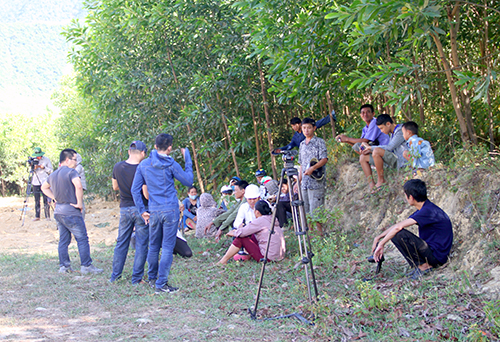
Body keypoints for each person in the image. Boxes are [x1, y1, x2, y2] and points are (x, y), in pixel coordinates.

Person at [131, 133, 193, 293]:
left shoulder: (144, 165)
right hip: (170, 210)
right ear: (170, 148)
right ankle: (161, 284)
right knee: (166, 247)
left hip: (154, 210)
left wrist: (142, 211)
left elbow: (134, 190)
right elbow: (188, 181)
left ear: (155, 146)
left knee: (153, 246)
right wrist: (187, 159)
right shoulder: (171, 163)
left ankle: (152, 279)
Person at [371, 179, 453, 280]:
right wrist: (378, 237)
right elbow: (398, 225)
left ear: (411, 197)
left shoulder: (428, 211)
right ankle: (420, 265)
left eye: (406, 195)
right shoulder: (426, 208)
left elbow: (398, 228)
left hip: (437, 256)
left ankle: (423, 266)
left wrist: (381, 244)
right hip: (433, 252)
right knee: (395, 234)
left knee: (399, 234)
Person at [41, 148, 103, 274]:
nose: (76, 162)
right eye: (75, 159)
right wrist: (79, 203)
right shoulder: (71, 172)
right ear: (68, 160)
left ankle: (64, 266)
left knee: (63, 240)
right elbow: (78, 186)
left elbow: (44, 187)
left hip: (59, 212)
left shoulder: (53, 174)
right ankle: (86, 266)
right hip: (71, 211)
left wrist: (55, 198)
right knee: (82, 238)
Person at [109, 141, 149, 284]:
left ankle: (115, 276)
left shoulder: (118, 167)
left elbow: (115, 187)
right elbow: (145, 194)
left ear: (129, 151)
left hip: (124, 208)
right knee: (141, 244)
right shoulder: (143, 168)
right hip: (140, 209)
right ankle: (136, 278)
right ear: (143, 153)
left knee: (121, 242)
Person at [218, 200, 286, 264]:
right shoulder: (273, 219)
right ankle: (246, 254)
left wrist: (234, 232)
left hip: (267, 258)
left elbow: (243, 232)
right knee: (251, 234)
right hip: (279, 257)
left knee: (241, 238)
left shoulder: (260, 220)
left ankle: (223, 261)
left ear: (257, 212)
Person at [359, 114, 407, 193]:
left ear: (388, 124)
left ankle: (381, 180)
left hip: (400, 161)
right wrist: (369, 150)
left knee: (376, 151)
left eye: (381, 128)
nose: (381, 131)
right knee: (363, 157)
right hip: (393, 158)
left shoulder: (400, 131)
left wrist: (371, 148)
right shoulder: (392, 133)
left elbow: (390, 147)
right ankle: (372, 185)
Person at [298, 118, 328, 235]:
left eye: (309, 127)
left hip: (316, 181)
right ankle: (310, 236)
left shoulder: (319, 142)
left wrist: (313, 168)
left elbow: (324, 159)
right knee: (306, 210)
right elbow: (301, 165)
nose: (306, 130)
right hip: (304, 183)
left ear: (314, 128)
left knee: (316, 210)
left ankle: (320, 235)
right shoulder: (301, 144)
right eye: (304, 128)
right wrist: (298, 182)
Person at [31, 147, 53, 221]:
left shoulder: (46, 160)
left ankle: (47, 216)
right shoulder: (33, 160)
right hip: (35, 181)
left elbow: (51, 170)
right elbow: (30, 171)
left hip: (44, 181)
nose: (38, 157)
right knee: (37, 199)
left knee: (46, 199)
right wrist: (34, 167)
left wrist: (43, 167)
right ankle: (37, 216)